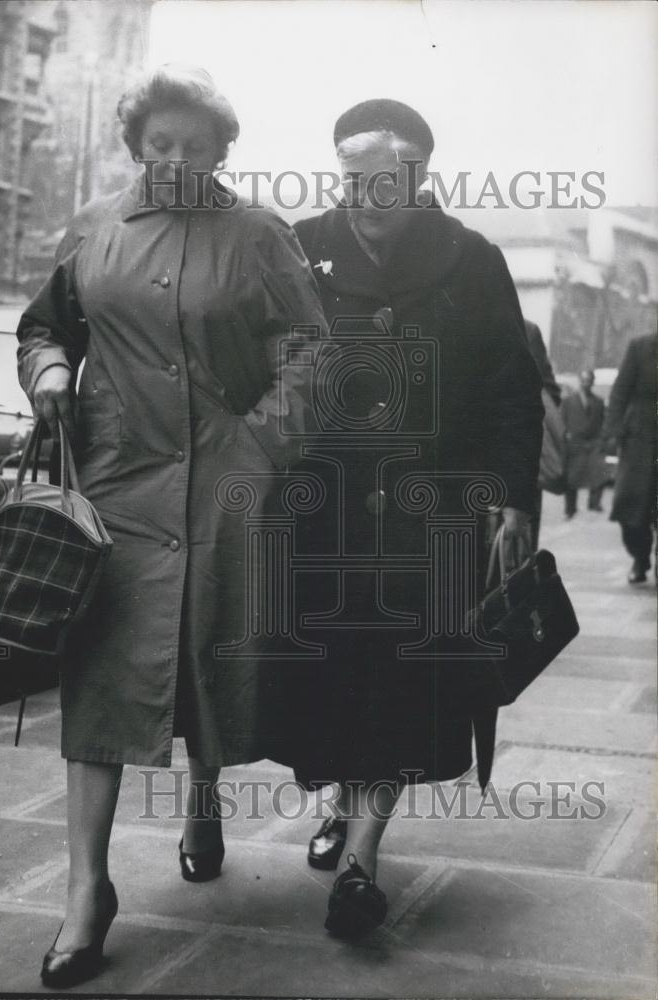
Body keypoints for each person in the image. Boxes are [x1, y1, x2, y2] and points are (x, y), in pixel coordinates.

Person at [16, 64, 325, 988]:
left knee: (204, 657)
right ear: (135, 147)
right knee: (104, 678)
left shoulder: (261, 235)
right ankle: (86, 893)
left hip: (228, 483)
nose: (177, 160)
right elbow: (45, 327)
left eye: (196, 146)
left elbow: (310, 349)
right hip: (118, 485)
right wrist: (51, 378)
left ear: (224, 149)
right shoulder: (93, 228)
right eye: (160, 145)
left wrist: (263, 446)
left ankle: (203, 800)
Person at [266, 98, 543, 938]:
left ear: (419, 176)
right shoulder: (300, 245)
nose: (361, 193)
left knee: (401, 687)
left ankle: (361, 859)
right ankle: (342, 811)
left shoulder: (472, 258)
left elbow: (510, 391)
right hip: (325, 513)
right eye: (349, 176)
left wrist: (514, 499)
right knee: (331, 679)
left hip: (434, 515)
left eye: (380, 177)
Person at [603, 333, 658, 584]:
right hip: (639, 440)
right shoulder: (640, 346)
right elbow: (620, 391)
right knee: (630, 508)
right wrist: (613, 432)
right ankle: (640, 556)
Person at [524, 319, 562, 547]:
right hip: (521, 452)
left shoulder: (527, 330)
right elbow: (550, 393)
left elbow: (548, 394)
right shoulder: (526, 329)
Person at [560, 369, 606, 518]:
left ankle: (594, 503)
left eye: (589, 380)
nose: (587, 383)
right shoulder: (568, 401)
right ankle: (570, 508)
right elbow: (562, 422)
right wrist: (565, 436)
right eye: (584, 380)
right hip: (574, 444)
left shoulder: (598, 402)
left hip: (593, 443)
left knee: (599, 473)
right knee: (571, 479)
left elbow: (602, 422)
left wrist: (601, 439)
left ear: (593, 382)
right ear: (580, 381)